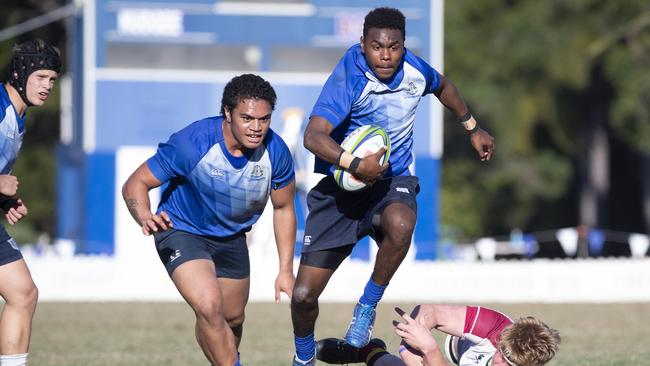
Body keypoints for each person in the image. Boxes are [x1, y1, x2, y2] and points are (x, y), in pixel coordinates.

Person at [290, 7, 495, 365]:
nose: (385, 56)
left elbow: (445, 87)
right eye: (376, 47)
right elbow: (313, 136)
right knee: (304, 296)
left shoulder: (415, 70)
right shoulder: (349, 77)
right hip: (341, 192)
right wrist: (357, 165)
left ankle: (366, 307)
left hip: (390, 181)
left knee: (401, 223)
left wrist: (473, 128)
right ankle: (305, 357)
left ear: (403, 46)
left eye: (394, 47)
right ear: (363, 45)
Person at [121, 74, 296, 366]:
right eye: (247, 118)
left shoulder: (276, 152)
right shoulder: (192, 143)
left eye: (264, 120)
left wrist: (286, 270)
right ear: (227, 113)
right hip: (181, 230)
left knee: (232, 319)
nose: (256, 128)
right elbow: (135, 184)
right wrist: (144, 215)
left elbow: (284, 209)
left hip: (232, 237)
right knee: (209, 306)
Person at [0, 38, 61, 366]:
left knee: (22, 292)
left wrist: (3, 199)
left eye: (52, 79)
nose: (47, 85)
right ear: (20, 74)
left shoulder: (18, 117)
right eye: (40, 77)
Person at [316, 305, 561, 366]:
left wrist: (430, 349)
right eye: (502, 353)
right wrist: (411, 347)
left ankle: (369, 352)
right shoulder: (495, 326)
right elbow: (428, 310)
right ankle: (369, 351)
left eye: (509, 364)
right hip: (458, 348)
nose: (499, 361)